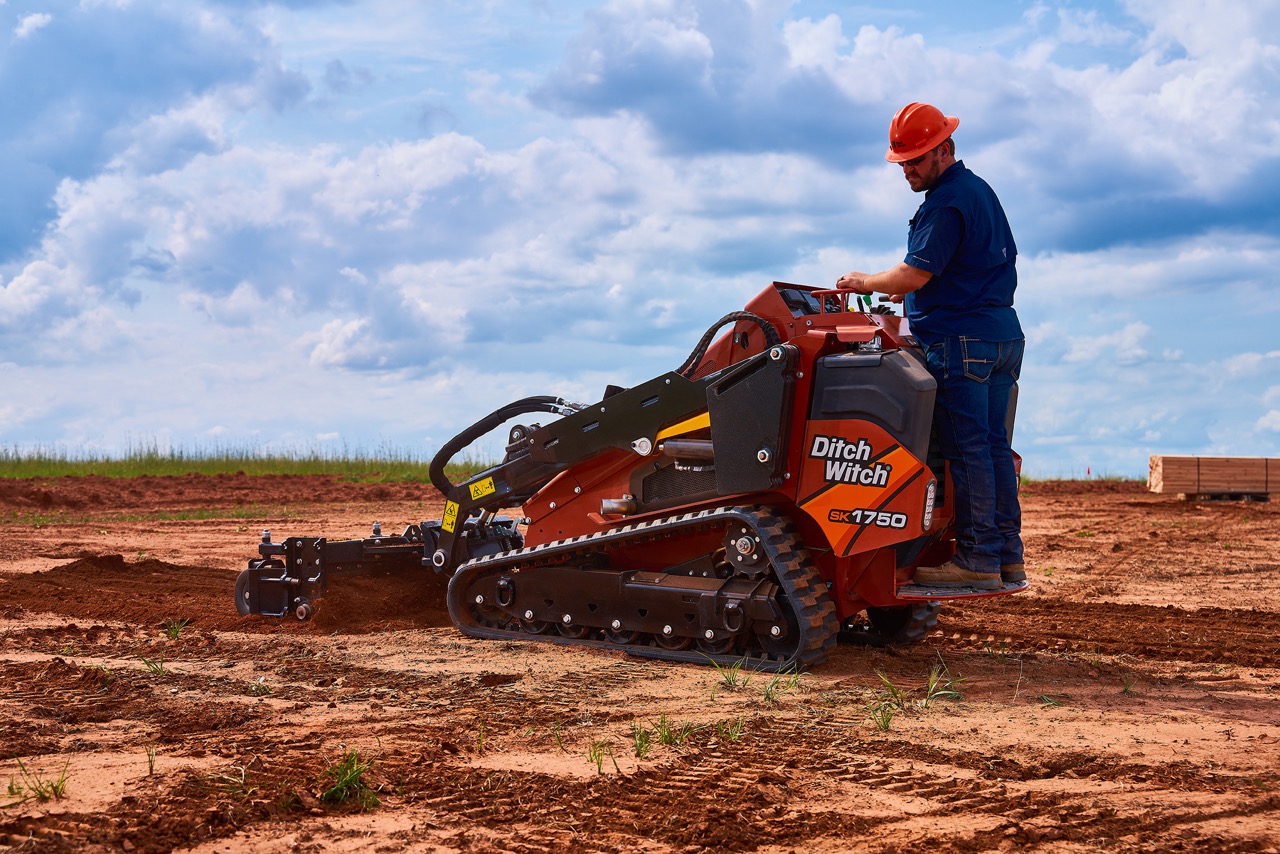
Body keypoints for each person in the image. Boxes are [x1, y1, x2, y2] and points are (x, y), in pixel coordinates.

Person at [836, 102, 1025, 591]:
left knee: (967, 452)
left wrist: (866, 281)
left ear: (945, 149)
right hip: (999, 335)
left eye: (915, 160)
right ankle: (1006, 555)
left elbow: (915, 271)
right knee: (994, 448)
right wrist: (911, 289)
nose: (907, 170)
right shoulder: (978, 191)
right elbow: (961, 269)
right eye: (902, 162)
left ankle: (978, 560)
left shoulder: (945, 202)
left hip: (961, 340)